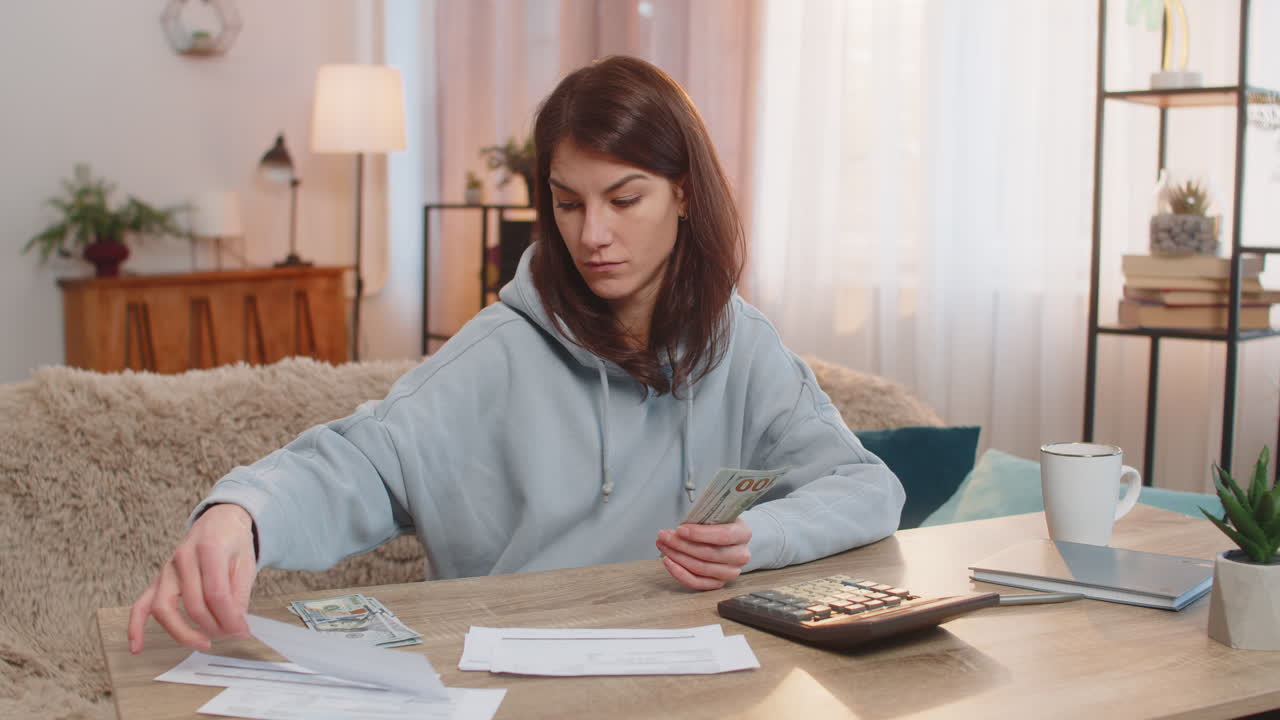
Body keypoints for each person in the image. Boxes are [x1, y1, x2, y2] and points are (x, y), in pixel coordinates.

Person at [128, 55, 905, 654]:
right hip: (514, 676)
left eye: (623, 198)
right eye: (568, 203)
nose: (592, 234)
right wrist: (242, 515)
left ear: (685, 194)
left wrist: (756, 539)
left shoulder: (741, 343)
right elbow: (361, 459)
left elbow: (863, 486)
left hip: (695, 671)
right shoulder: (499, 350)